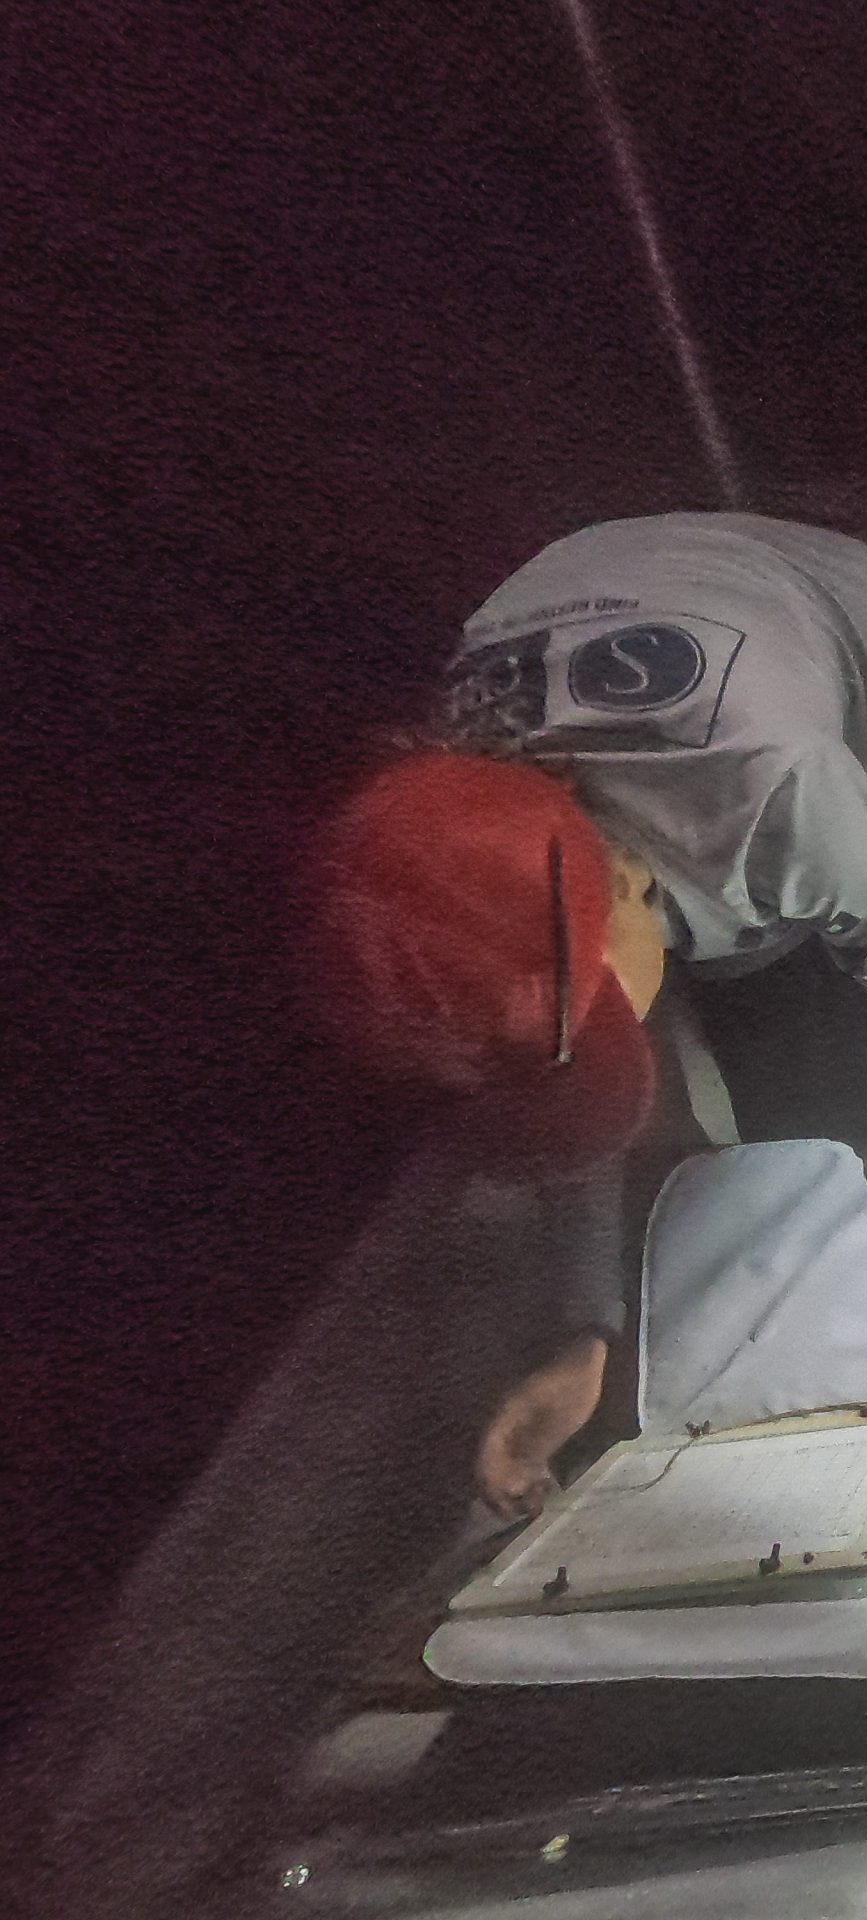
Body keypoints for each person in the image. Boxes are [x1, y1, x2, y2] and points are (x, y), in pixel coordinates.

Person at [16, 751, 663, 1917]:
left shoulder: (492, 880)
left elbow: (564, 1087)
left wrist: (577, 1325)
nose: (643, 901)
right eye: (626, 895)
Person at [445, 513, 867, 1453]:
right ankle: (815, 969)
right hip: (619, 605)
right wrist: (584, 1330)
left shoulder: (770, 785)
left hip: (865, 640)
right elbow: (561, 1090)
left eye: (602, 1020)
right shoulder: (457, 814)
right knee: (766, 983)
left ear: (623, 881)